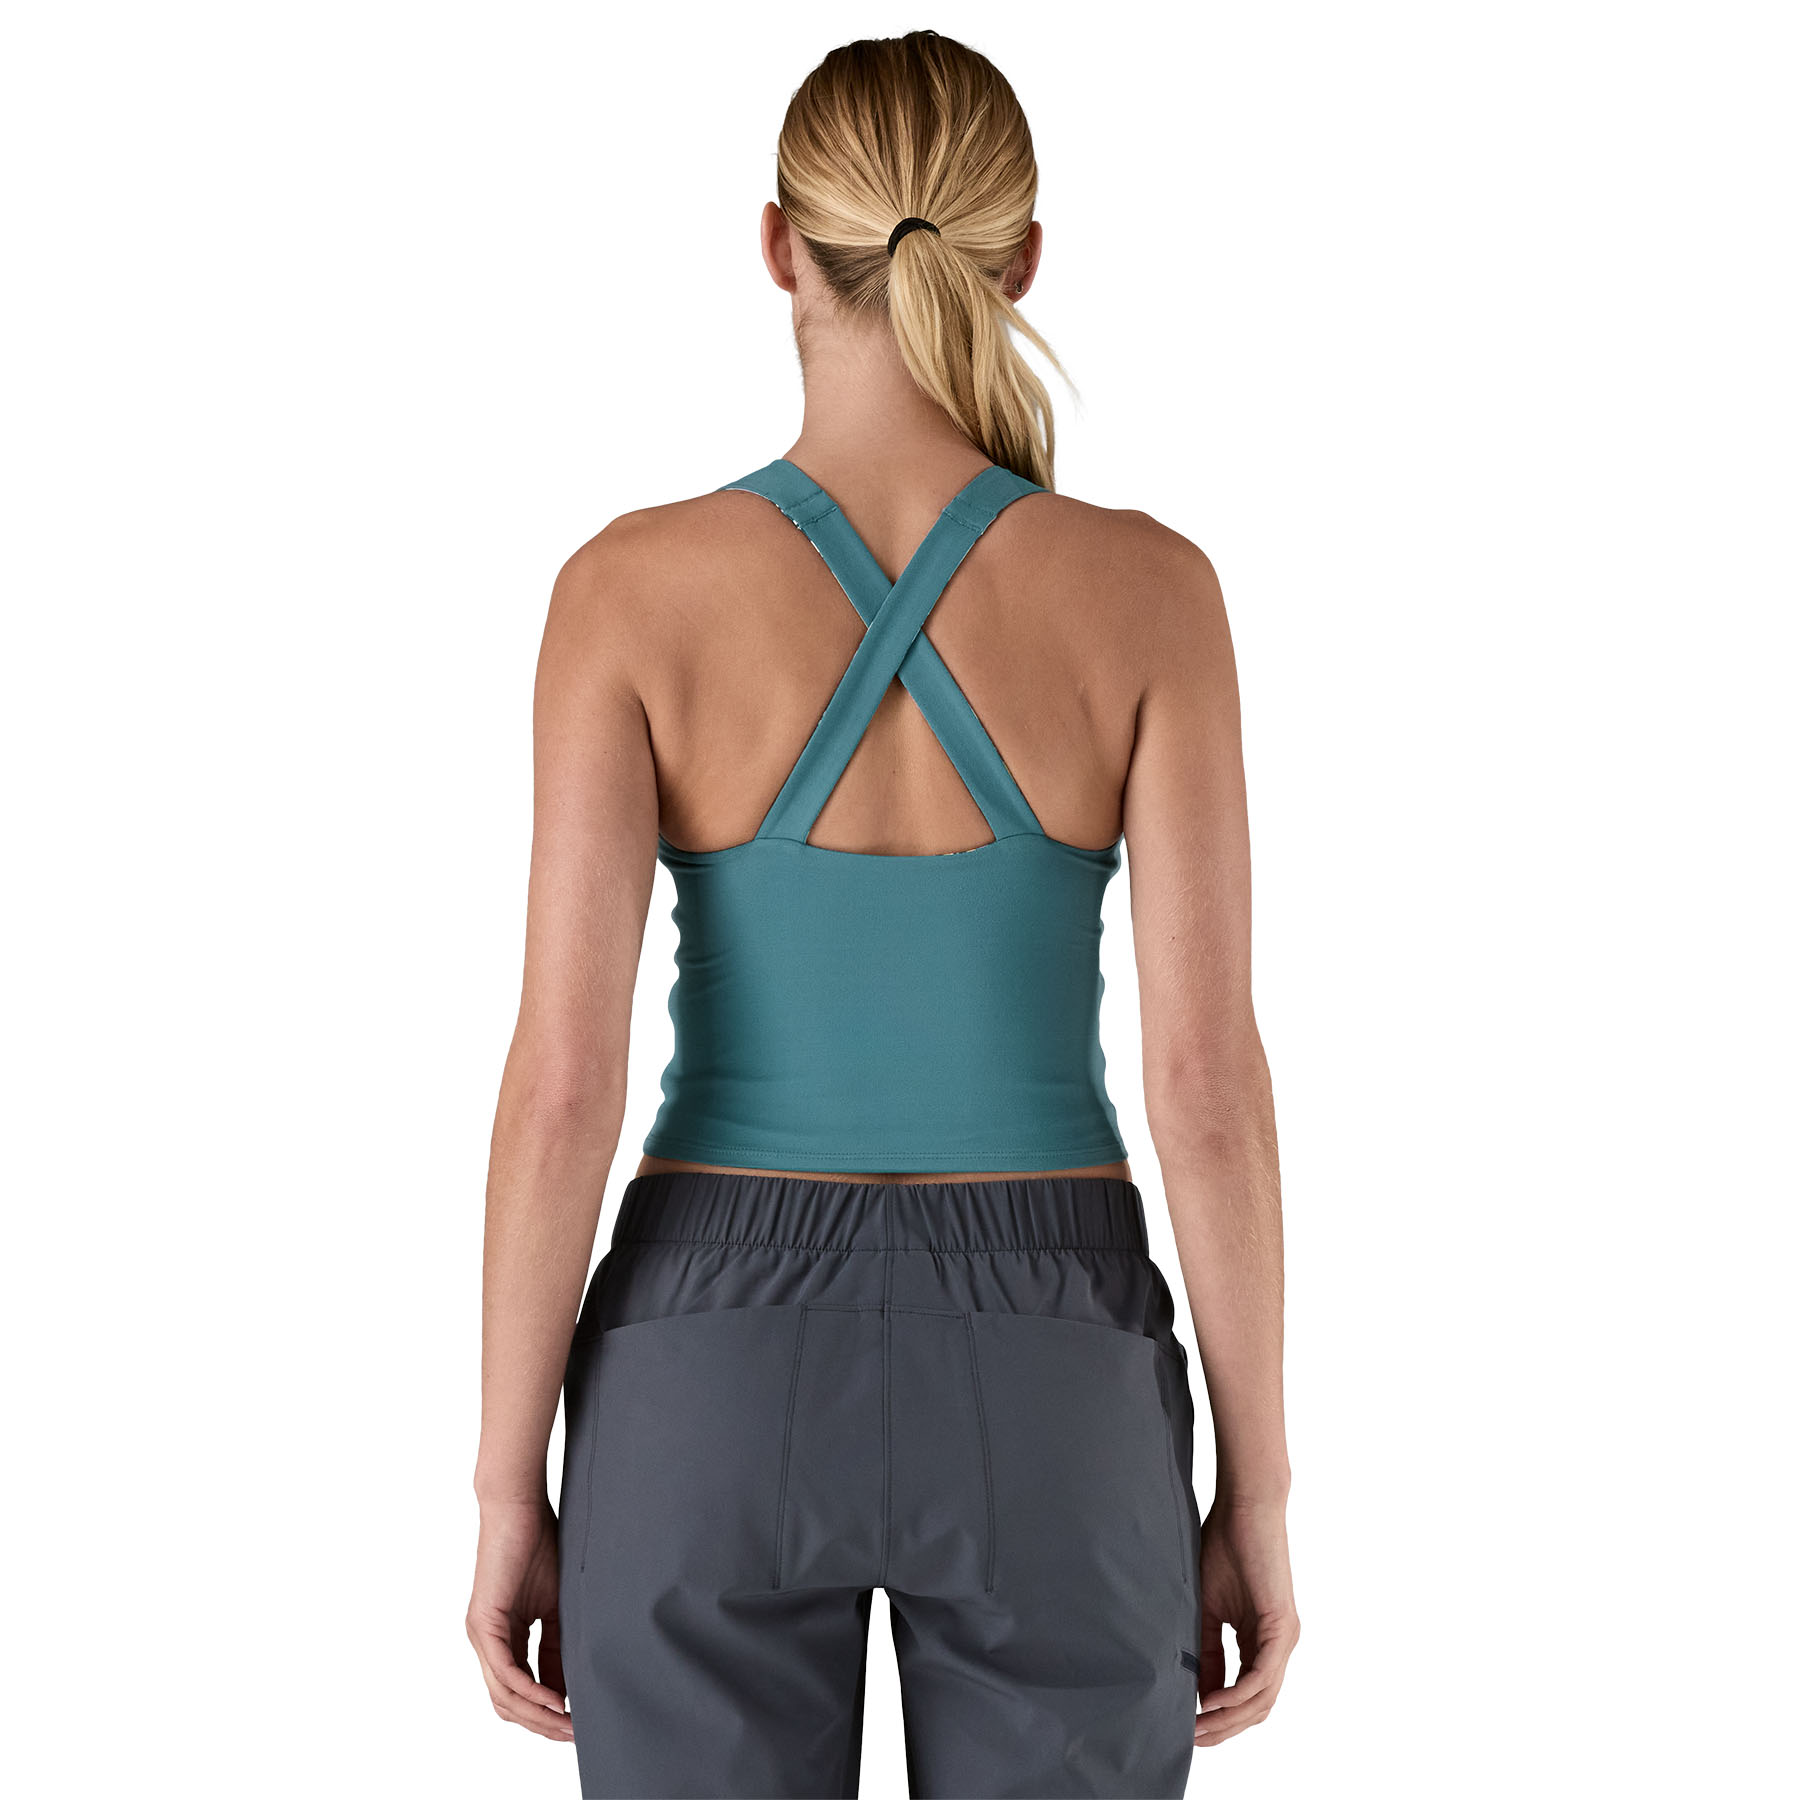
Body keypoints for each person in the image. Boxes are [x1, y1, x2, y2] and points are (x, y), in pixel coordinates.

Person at [467, 28, 1297, 1799]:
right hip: (1054, 1355)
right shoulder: (1151, 596)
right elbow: (1206, 1086)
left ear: (780, 245)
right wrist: (1259, 1489)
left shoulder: (627, 593)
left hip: (705, 1348)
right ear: (1023, 259)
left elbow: (561, 1086)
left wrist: (505, 1483)